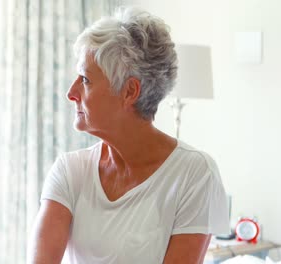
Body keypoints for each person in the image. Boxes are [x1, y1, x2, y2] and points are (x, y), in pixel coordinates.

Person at [28, 6, 230, 264]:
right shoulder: (69, 171)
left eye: (85, 79)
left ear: (129, 92)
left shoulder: (195, 174)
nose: (71, 92)